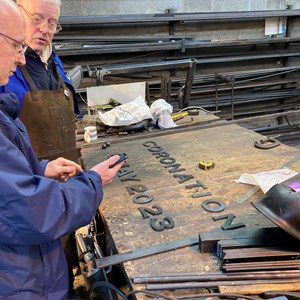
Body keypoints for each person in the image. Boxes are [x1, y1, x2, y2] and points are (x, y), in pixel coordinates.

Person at [0, 1, 124, 299]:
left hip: (50, 206)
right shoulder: (8, 80)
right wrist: (92, 182)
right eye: (16, 46)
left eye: (52, 22)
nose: (20, 58)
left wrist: (39, 168)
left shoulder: (51, 63)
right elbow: (31, 212)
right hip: (21, 273)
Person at [0, 0, 81, 163]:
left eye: (52, 23)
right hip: (28, 181)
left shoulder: (52, 59)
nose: (44, 29)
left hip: (66, 171)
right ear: (18, 13)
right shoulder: (4, 71)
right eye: (37, 19)